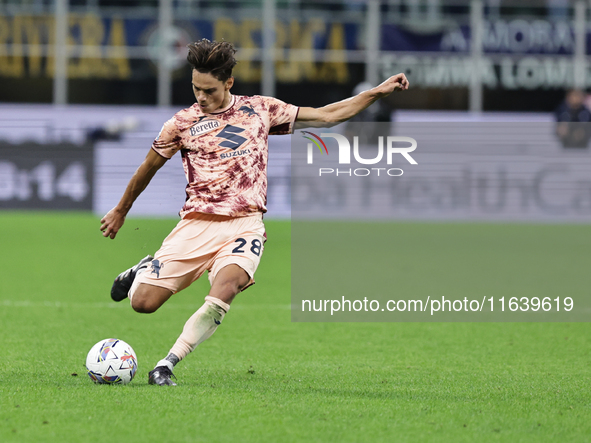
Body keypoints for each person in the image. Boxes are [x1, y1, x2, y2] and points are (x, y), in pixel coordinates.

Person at [99, 39, 409, 386]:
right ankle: (142, 270)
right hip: (196, 224)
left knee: (226, 289)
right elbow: (147, 168)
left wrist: (377, 92)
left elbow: (326, 116)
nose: (201, 97)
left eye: (209, 90)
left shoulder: (260, 111)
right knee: (142, 303)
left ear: (228, 83)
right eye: (195, 89)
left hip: (245, 225)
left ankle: (166, 364)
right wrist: (120, 210)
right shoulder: (181, 124)